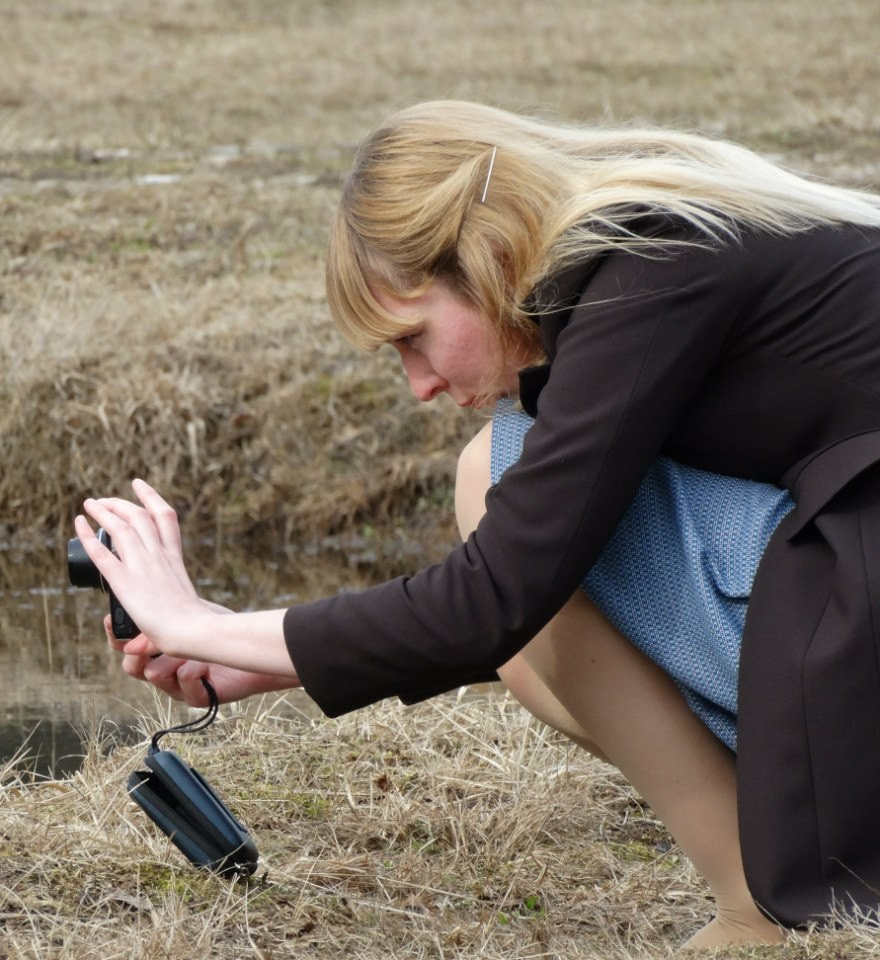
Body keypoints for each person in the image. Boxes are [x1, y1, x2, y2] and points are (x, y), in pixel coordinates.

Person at [74, 100, 880, 949]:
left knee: (494, 475)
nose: (419, 385)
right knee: (524, 624)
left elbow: (492, 598)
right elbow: (511, 612)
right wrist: (264, 661)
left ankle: (756, 913)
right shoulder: (663, 247)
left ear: (485, 255)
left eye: (413, 338)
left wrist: (196, 624)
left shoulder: (656, 271)